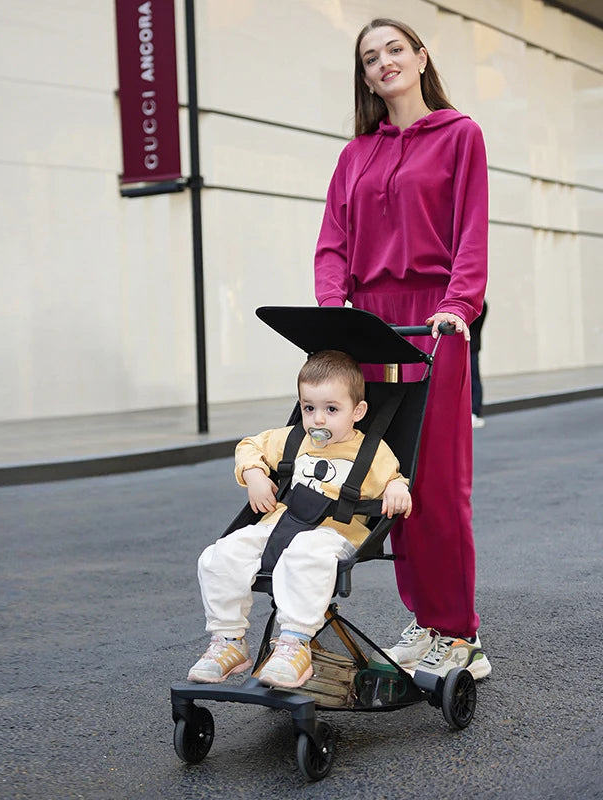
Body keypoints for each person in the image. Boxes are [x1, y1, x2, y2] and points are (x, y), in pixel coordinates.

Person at [314, 18, 491, 679]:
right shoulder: (355, 155)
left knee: (438, 483)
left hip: (433, 323)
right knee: (388, 481)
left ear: (420, 58)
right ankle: (425, 620)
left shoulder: (459, 135)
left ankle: (460, 635)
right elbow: (332, 241)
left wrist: (457, 305)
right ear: (363, 77)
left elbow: (471, 231)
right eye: (370, 57)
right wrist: (333, 315)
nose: (384, 62)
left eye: (395, 49)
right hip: (368, 326)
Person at [187, 350, 412, 689]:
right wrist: (254, 474)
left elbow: (394, 477)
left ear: (358, 412)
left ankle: (294, 643)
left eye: (331, 409)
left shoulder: (371, 451)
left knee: (305, 552)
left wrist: (396, 489)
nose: (317, 420)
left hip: (333, 533)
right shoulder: (293, 437)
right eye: (309, 408)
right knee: (218, 556)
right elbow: (250, 445)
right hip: (281, 525)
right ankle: (228, 641)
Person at [470, 300, 488, 428]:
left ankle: (475, 412)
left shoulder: (480, 304)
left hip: (472, 346)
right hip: (471, 345)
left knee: (474, 379)